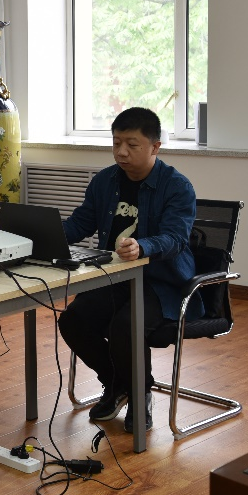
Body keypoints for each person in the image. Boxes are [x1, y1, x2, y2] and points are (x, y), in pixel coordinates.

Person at [58, 107, 197, 432]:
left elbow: (176, 238)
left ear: (155, 146)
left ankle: (139, 394)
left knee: (126, 325)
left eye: (132, 144)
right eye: (116, 142)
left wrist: (142, 247)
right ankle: (118, 383)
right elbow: (80, 224)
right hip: (116, 279)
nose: (121, 151)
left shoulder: (177, 186)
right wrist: (39, 235)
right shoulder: (104, 181)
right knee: (73, 321)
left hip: (160, 284)